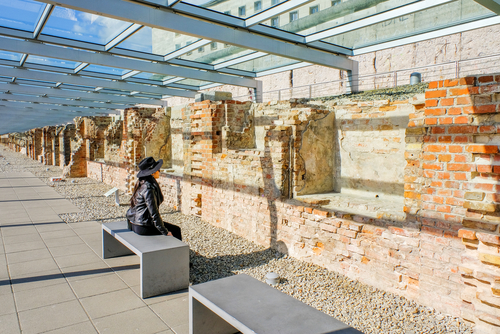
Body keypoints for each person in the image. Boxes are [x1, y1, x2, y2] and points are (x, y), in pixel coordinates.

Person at [127, 157, 182, 240]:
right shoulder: (149, 188)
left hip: (136, 223)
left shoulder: (142, 182)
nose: (159, 171)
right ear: (153, 172)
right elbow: (154, 214)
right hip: (143, 226)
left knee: (173, 229)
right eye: (158, 169)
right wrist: (165, 231)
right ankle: (179, 253)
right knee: (176, 230)